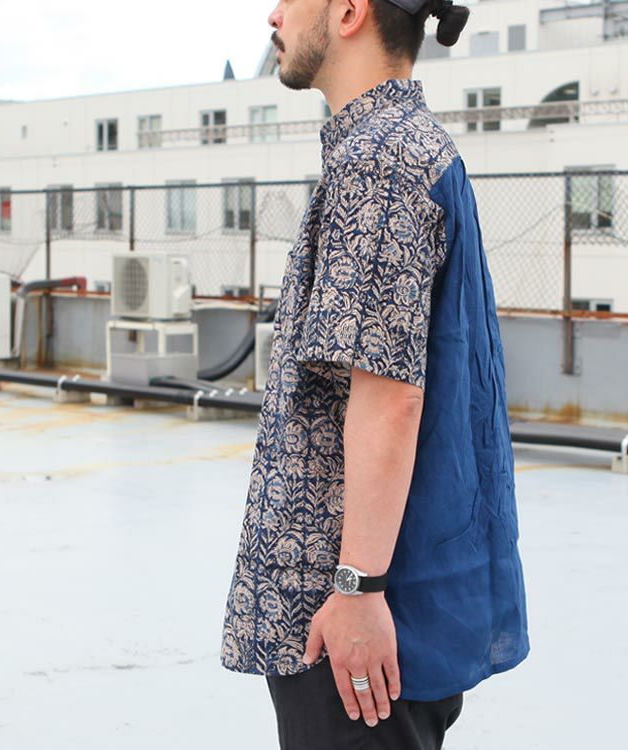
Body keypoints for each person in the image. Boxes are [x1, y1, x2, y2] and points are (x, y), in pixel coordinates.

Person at [220, 0, 530, 747]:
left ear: (350, 11)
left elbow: (388, 396)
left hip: (353, 625)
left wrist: (358, 589)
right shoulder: (411, 148)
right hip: (382, 607)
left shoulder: (379, 161)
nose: (273, 15)